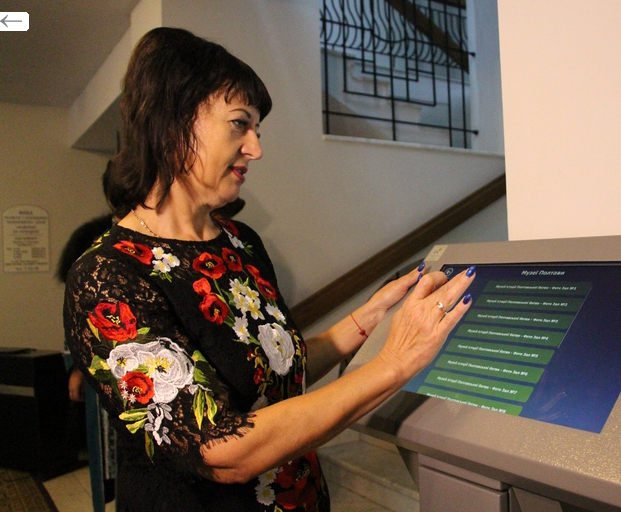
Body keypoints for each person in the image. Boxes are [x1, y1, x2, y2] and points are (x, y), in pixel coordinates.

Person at [63, 27, 475, 512]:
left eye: (256, 129)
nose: (255, 148)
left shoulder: (240, 242)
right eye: (239, 124)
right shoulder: (107, 278)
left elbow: (276, 373)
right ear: (171, 121)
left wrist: (365, 320)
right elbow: (221, 450)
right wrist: (396, 362)